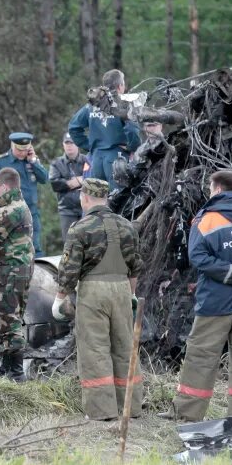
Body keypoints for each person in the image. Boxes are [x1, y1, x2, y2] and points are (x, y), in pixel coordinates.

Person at [175, 170, 232, 421]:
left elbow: (197, 257)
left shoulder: (205, 219)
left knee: (202, 354)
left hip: (216, 299)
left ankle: (188, 414)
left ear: (216, 189)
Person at [51, 179, 141, 421]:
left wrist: (59, 299)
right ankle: (130, 407)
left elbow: (69, 269)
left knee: (95, 348)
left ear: (85, 197)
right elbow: (135, 267)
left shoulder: (79, 228)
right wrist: (130, 294)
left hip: (93, 291)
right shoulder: (126, 226)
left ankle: (102, 411)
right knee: (124, 346)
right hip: (122, 288)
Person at [0, 167, 35, 382]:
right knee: (10, 319)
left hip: (10, 271)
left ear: (4, 186)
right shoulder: (21, 206)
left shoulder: (10, 210)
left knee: (9, 320)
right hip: (18, 269)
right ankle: (7, 367)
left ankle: (16, 372)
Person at [67, 69, 142, 184]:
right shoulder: (124, 104)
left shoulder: (92, 105)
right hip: (116, 159)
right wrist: (132, 147)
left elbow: (73, 127)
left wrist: (90, 146)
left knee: (99, 199)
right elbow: (132, 129)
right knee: (119, 198)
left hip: (96, 160)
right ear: (120, 85)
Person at [0, 133, 51, 257]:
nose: (22, 153)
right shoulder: (0, 161)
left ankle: (36, 275)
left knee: (35, 250)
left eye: (25, 150)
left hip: (31, 214)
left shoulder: (32, 160)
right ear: (12, 145)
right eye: (19, 150)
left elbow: (44, 179)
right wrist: (4, 213)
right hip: (10, 215)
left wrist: (34, 162)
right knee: (13, 252)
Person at [49, 134, 89, 238]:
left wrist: (70, 182)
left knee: (89, 243)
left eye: (72, 142)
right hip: (67, 211)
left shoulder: (87, 160)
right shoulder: (56, 163)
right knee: (69, 244)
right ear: (63, 145)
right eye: (67, 143)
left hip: (86, 209)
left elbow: (94, 178)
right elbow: (55, 184)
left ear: (78, 144)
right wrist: (79, 180)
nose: (69, 145)